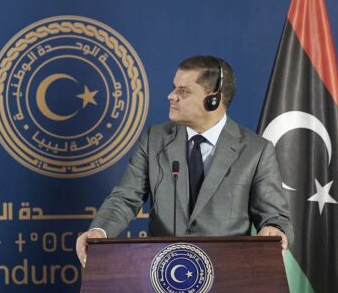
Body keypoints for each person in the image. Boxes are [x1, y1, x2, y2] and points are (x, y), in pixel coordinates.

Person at [76, 55, 293, 266]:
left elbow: (275, 216)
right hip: (162, 272)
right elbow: (125, 198)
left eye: (183, 91)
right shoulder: (153, 139)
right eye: (174, 88)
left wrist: (274, 229)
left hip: (227, 273)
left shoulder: (256, 150)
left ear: (213, 99)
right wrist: (99, 231)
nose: (171, 96)